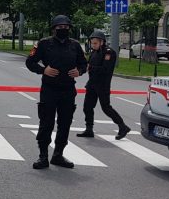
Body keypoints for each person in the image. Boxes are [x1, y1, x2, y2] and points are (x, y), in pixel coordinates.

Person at [25, 15, 87, 169]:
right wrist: (43, 70)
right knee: (46, 122)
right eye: (60, 27)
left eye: (66, 27)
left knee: (65, 123)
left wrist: (79, 71)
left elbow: (84, 64)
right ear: (53, 29)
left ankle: (58, 155)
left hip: (67, 90)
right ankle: (43, 156)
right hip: (49, 89)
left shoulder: (75, 45)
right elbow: (30, 62)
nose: (63, 30)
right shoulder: (44, 44)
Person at [79, 30, 130, 140]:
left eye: (95, 43)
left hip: (102, 85)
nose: (93, 45)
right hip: (92, 84)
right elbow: (88, 65)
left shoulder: (109, 53)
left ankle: (123, 127)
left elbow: (106, 69)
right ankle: (89, 129)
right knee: (87, 107)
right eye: (92, 43)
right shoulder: (94, 52)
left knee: (106, 108)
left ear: (102, 42)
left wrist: (91, 68)